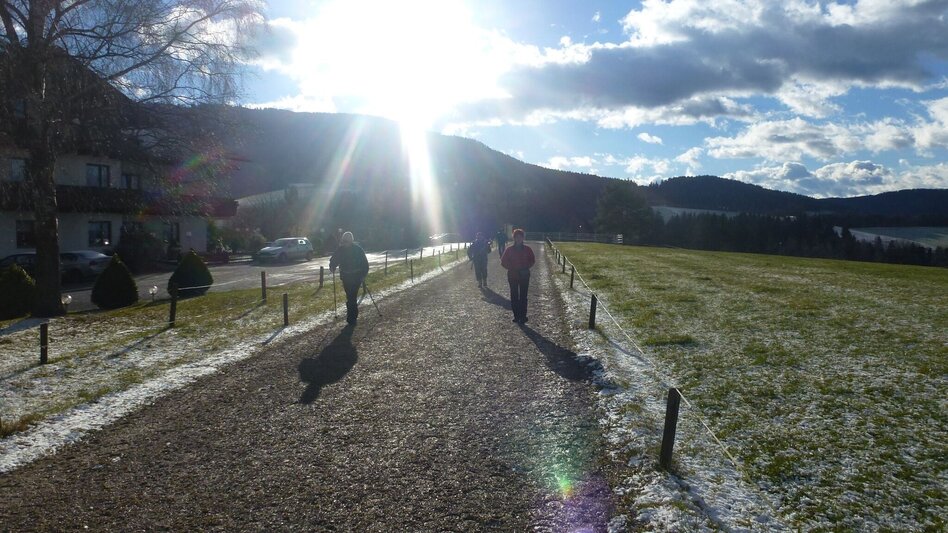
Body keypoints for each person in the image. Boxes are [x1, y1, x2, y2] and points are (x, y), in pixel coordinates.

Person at [329, 231, 369, 325]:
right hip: (346, 276)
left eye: (347, 240)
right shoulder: (341, 249)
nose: (345, 242)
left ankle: (352, 318)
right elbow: (334, 259)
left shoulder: (358, 250)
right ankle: (351, 316)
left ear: (351, 240)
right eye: (344, 240)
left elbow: (365, 264)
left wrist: (363, 275)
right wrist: (332, 266)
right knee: (349, 296)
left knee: (352, 296)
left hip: (356, 276)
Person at [500, 228, 535, 324]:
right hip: (513, 275)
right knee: (514, 296)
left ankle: (523, 316)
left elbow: (532, 260)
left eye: (520, 237)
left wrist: (525, 267)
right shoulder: (509, 250)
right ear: (514, 238)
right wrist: (512, 268)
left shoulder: (528, 249)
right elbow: (503, 262)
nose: (518, 239)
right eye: (516, 237)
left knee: (523, 296)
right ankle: (516, 315)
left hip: (524, 275)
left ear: (523, 238)